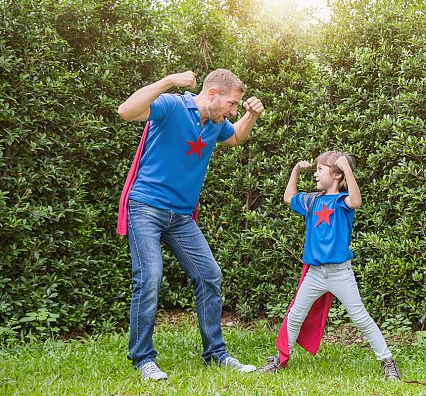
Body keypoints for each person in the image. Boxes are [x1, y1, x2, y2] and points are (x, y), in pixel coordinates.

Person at [116, 69, 264, 380]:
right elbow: (126, 111)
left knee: (209, 275)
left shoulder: (217, 124)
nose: (233, 111)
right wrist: (169, 80)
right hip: (146, 207)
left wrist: (250, 116)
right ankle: (143, 358)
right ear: (212, 95)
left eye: (237, 106)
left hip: (180, 217)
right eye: (232, 104)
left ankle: (216, 354)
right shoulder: (171, 105)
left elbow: (236, 138)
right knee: (150, 277)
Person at [258, 151, 401, 380]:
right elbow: (288, 197)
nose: (315, 174)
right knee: (295, 315)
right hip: (315, 274)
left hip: (340, 274)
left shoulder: (342, 202)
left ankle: (387, 360)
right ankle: (279, 359)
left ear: (336, 175)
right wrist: (295, 171)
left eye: (320, 170)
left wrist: (349, 171)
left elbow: (356, 200)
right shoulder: (313, 200)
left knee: (360, 317)